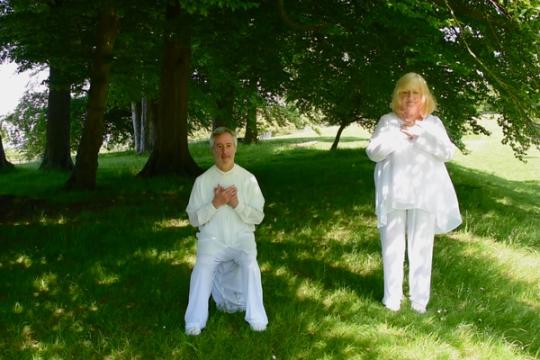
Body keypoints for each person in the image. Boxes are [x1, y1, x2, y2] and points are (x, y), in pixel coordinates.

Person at [366, 72, 462, 314]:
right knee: (392, 246)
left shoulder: (433, 123)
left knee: (421, 247)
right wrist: (399, 133)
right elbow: (374, 153)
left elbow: (447, 153)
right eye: (405, 92)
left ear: (424, 97)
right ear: (398, 96)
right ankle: (392, 299)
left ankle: (419, 301)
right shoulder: (388, 121)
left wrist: (420, 134)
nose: (410, 98)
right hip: (393, 194)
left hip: (424, 194)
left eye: (415, 93)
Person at [184, 127, 268, 335]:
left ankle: (257, 318)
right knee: (202, 269)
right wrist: (215, 203)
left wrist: (236, 204)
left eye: (228, 146)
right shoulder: (202, 181)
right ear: (213, 150)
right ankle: (194, 322)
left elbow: (258, 217)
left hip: (242, 238)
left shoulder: (248, 179)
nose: (224, 152)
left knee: (250, 266)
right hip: (212, 240)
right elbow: (194, 219)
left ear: (235, 148)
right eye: (219, 147)